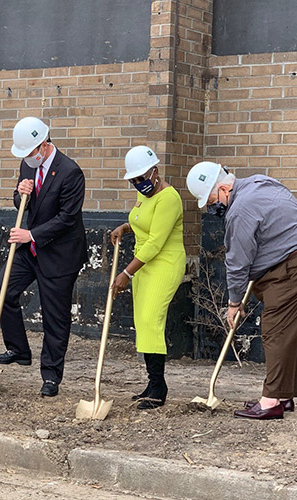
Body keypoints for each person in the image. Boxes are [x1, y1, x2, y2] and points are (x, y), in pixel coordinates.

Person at [186, 162, 297, 420]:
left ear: (222, 189)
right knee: (294, 327)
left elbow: (237, 263)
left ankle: (271, 401)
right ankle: (283, 396)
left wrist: (233, 303)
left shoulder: (239, 211)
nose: (212, 208)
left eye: (211, 201)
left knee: (276, 326)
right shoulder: (258, 182)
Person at [0, 117, 87, 397]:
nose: (27, 159)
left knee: (54, 316)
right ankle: (19, 349)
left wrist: (30, 235)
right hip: (30, 250)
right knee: (2, 289)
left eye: (31, 152)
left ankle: (51, 376)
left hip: (59, 253)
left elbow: (67, 218)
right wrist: (20, 195)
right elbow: (24, 203)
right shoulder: (27, 164)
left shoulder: (70, 172)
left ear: (44, 145)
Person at [110, 145, 185, 409]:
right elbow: (143, 221)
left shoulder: (169, 198)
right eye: (134, 180)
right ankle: (152, 383)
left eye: (141, 178)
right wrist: (126, 227)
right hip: (143, 264)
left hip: (163, 264)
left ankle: (158, 388)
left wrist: (127, 273)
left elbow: (156, 241)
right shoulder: (147, 196)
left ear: (156, 171)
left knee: (152, 320)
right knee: (143, 321)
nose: (138, 183)